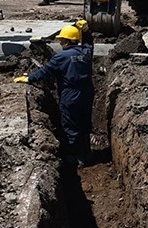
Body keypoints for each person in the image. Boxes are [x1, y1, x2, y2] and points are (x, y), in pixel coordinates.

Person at [15, 24, 94, 166]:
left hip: (70, 94)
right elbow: (89, 43)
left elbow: (45, 71)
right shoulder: (86, 52)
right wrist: (86, 31)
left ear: (67, 41)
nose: (60, 43)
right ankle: (87, 153)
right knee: (84, 122)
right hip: (87, 93)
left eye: (62, 40)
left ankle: (75, 157)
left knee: (70, 125)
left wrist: (29, 78)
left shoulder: (61, 57)